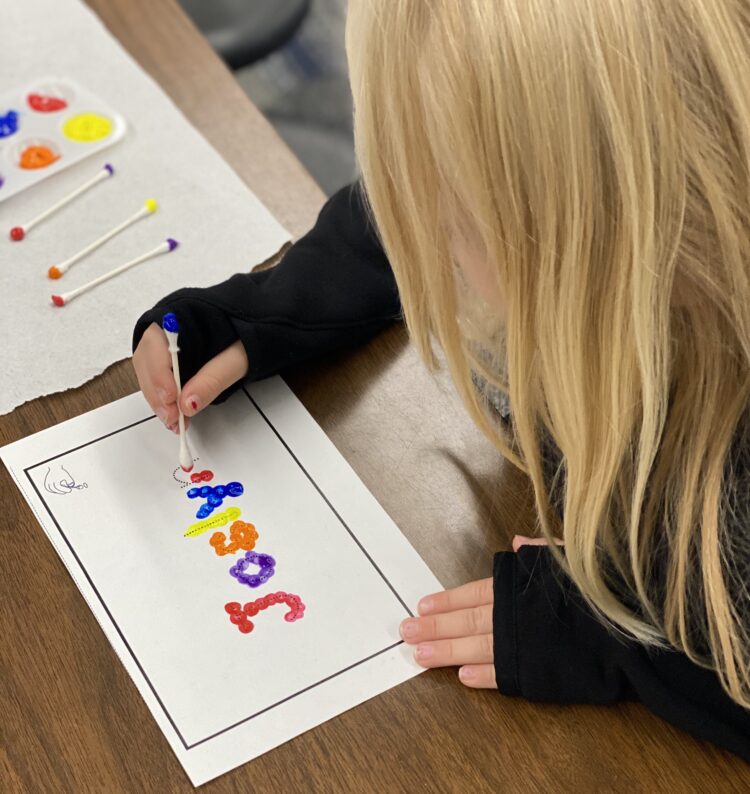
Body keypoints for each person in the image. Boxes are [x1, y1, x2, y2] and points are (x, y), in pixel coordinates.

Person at [133, 0, 750, 759]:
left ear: (599, 233)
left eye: (458, 217)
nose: (423, 224)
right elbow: (394, 214)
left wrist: (619, 634)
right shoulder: (596, 210)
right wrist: (255, 316)